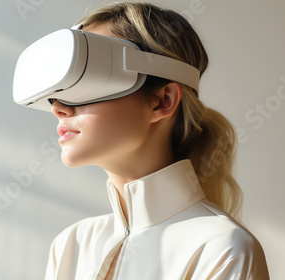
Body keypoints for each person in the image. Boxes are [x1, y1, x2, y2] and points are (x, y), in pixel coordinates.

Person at [20, 2, 270, 280]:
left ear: (163, 101)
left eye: (88, 81)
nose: (58, 107)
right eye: (60, 89)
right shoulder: (72, 245)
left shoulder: (222, 250)